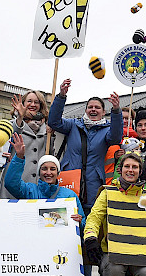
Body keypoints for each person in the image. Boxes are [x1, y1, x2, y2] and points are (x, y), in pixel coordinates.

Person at [82, 153, 146, 276]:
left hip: (140, 253)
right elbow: (94, 217)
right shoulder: (107, 192)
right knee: (113, 271)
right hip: (114, 253)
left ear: (140, 171)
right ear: (120, 170)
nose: (130, 170)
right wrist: (90, 237)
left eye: (135, 167)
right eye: (127, 166)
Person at [47, 78, 123, 213]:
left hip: (93, 184)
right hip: (70, 179)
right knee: (66, 215)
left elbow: (116, 138)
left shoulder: (106, 130)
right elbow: (53, 122)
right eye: (90, 107)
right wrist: (61, 96)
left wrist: (116, 111)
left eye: (97, 107)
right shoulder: (73, 125)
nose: (93, 110)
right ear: (86, 110)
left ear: (104, 112)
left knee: (89, 221)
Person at [4, 134, 84, 229]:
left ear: (58, 173)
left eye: (53, 169)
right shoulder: (29, 190)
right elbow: (11, 183)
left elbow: (84, 223)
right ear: (39, 172)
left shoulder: (69, 195)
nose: (48, 172)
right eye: (44, 169)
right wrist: (19, 157)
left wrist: (79, 221)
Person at [3, 90, 51, 196]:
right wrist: (20, 117)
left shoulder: (47, 129)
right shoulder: (11, 124)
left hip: (38, 185)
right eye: (29, 101)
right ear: (23, 104)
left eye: (36, 102)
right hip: (16, 181)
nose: (33, 105)